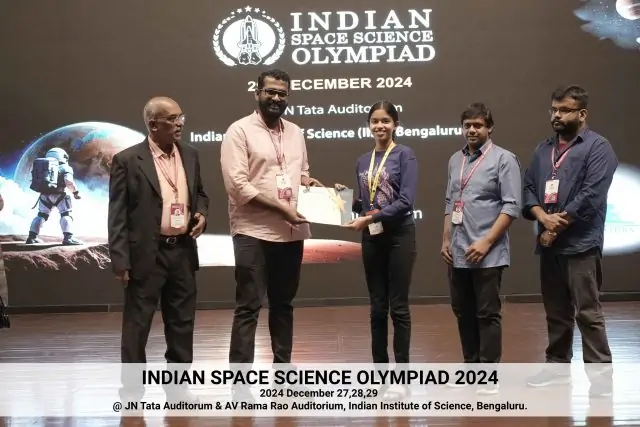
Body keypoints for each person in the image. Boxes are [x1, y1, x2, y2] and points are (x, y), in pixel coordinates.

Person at [108, 96, 209, 403]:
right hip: (145, 255)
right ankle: (132, 391)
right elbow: (117, 214)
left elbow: (200, 194)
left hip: (182, 251)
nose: (180, 124)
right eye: (172, 119)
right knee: (137, 325)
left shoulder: (190, 154)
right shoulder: (127, 160)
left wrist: (201, 214)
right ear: (153, 125)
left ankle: (178, 388)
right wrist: (120, 260)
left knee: (182, 323)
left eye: (181, 117)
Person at [220, 69, 322, 370]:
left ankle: (283, 369)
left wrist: (311, 184)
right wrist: (281, 209)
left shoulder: (296, 132)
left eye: (282, 93)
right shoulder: (238, 131)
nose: (276, 98)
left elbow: (301, 172)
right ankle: (240, 377)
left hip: (290, 232)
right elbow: (238, 187)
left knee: (283, 305)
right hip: (252, 232)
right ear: (258, 93)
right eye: (271, 92)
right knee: (248, 306)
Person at [522, 85, 617, 393]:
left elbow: (591, 196)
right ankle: (557, 369)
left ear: (582, 114)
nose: (557, 115)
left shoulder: (598, 147)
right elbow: (528, 188)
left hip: (581, 245)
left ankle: (601, 381)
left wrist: (555, 227)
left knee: (588, 313)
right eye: (554, 109)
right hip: (549, 246)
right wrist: (542, 217)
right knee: (556, 313)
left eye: (564, 110)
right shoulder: (543, 149)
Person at [441, 103, 521, 394]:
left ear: (489, 128)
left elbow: (511, 206)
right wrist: (446, 239)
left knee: (487, 313)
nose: (472, 130)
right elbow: (450, 203)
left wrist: (486, 242)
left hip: (488, 253)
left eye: (477, 125)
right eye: (467, 126)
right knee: (463, 312)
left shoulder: (504, 159)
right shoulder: (455, 159)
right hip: (458, 250)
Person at [341, 100, 418, 400]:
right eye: (375, 121)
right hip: (372, 238)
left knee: (398, 308)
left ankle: (402, 378)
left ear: (395, 124)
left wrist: (370, 217)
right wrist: (343, 199)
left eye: (385, 120)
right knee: (376, 308)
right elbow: (364, 202)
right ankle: (380, 375)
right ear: (369, 125)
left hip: (399, 236)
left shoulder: (405, 155)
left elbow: (406, 202)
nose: (380, 126)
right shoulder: (363, 160)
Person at [25, 147, 83, 245]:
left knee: (41, 215)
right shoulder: (66, 168)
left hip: (44, 195)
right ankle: (68, 238)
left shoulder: (44, 166)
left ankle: (32, 237)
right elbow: (69, 181)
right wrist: (75, 192)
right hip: (59, 195)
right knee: (66, 215)